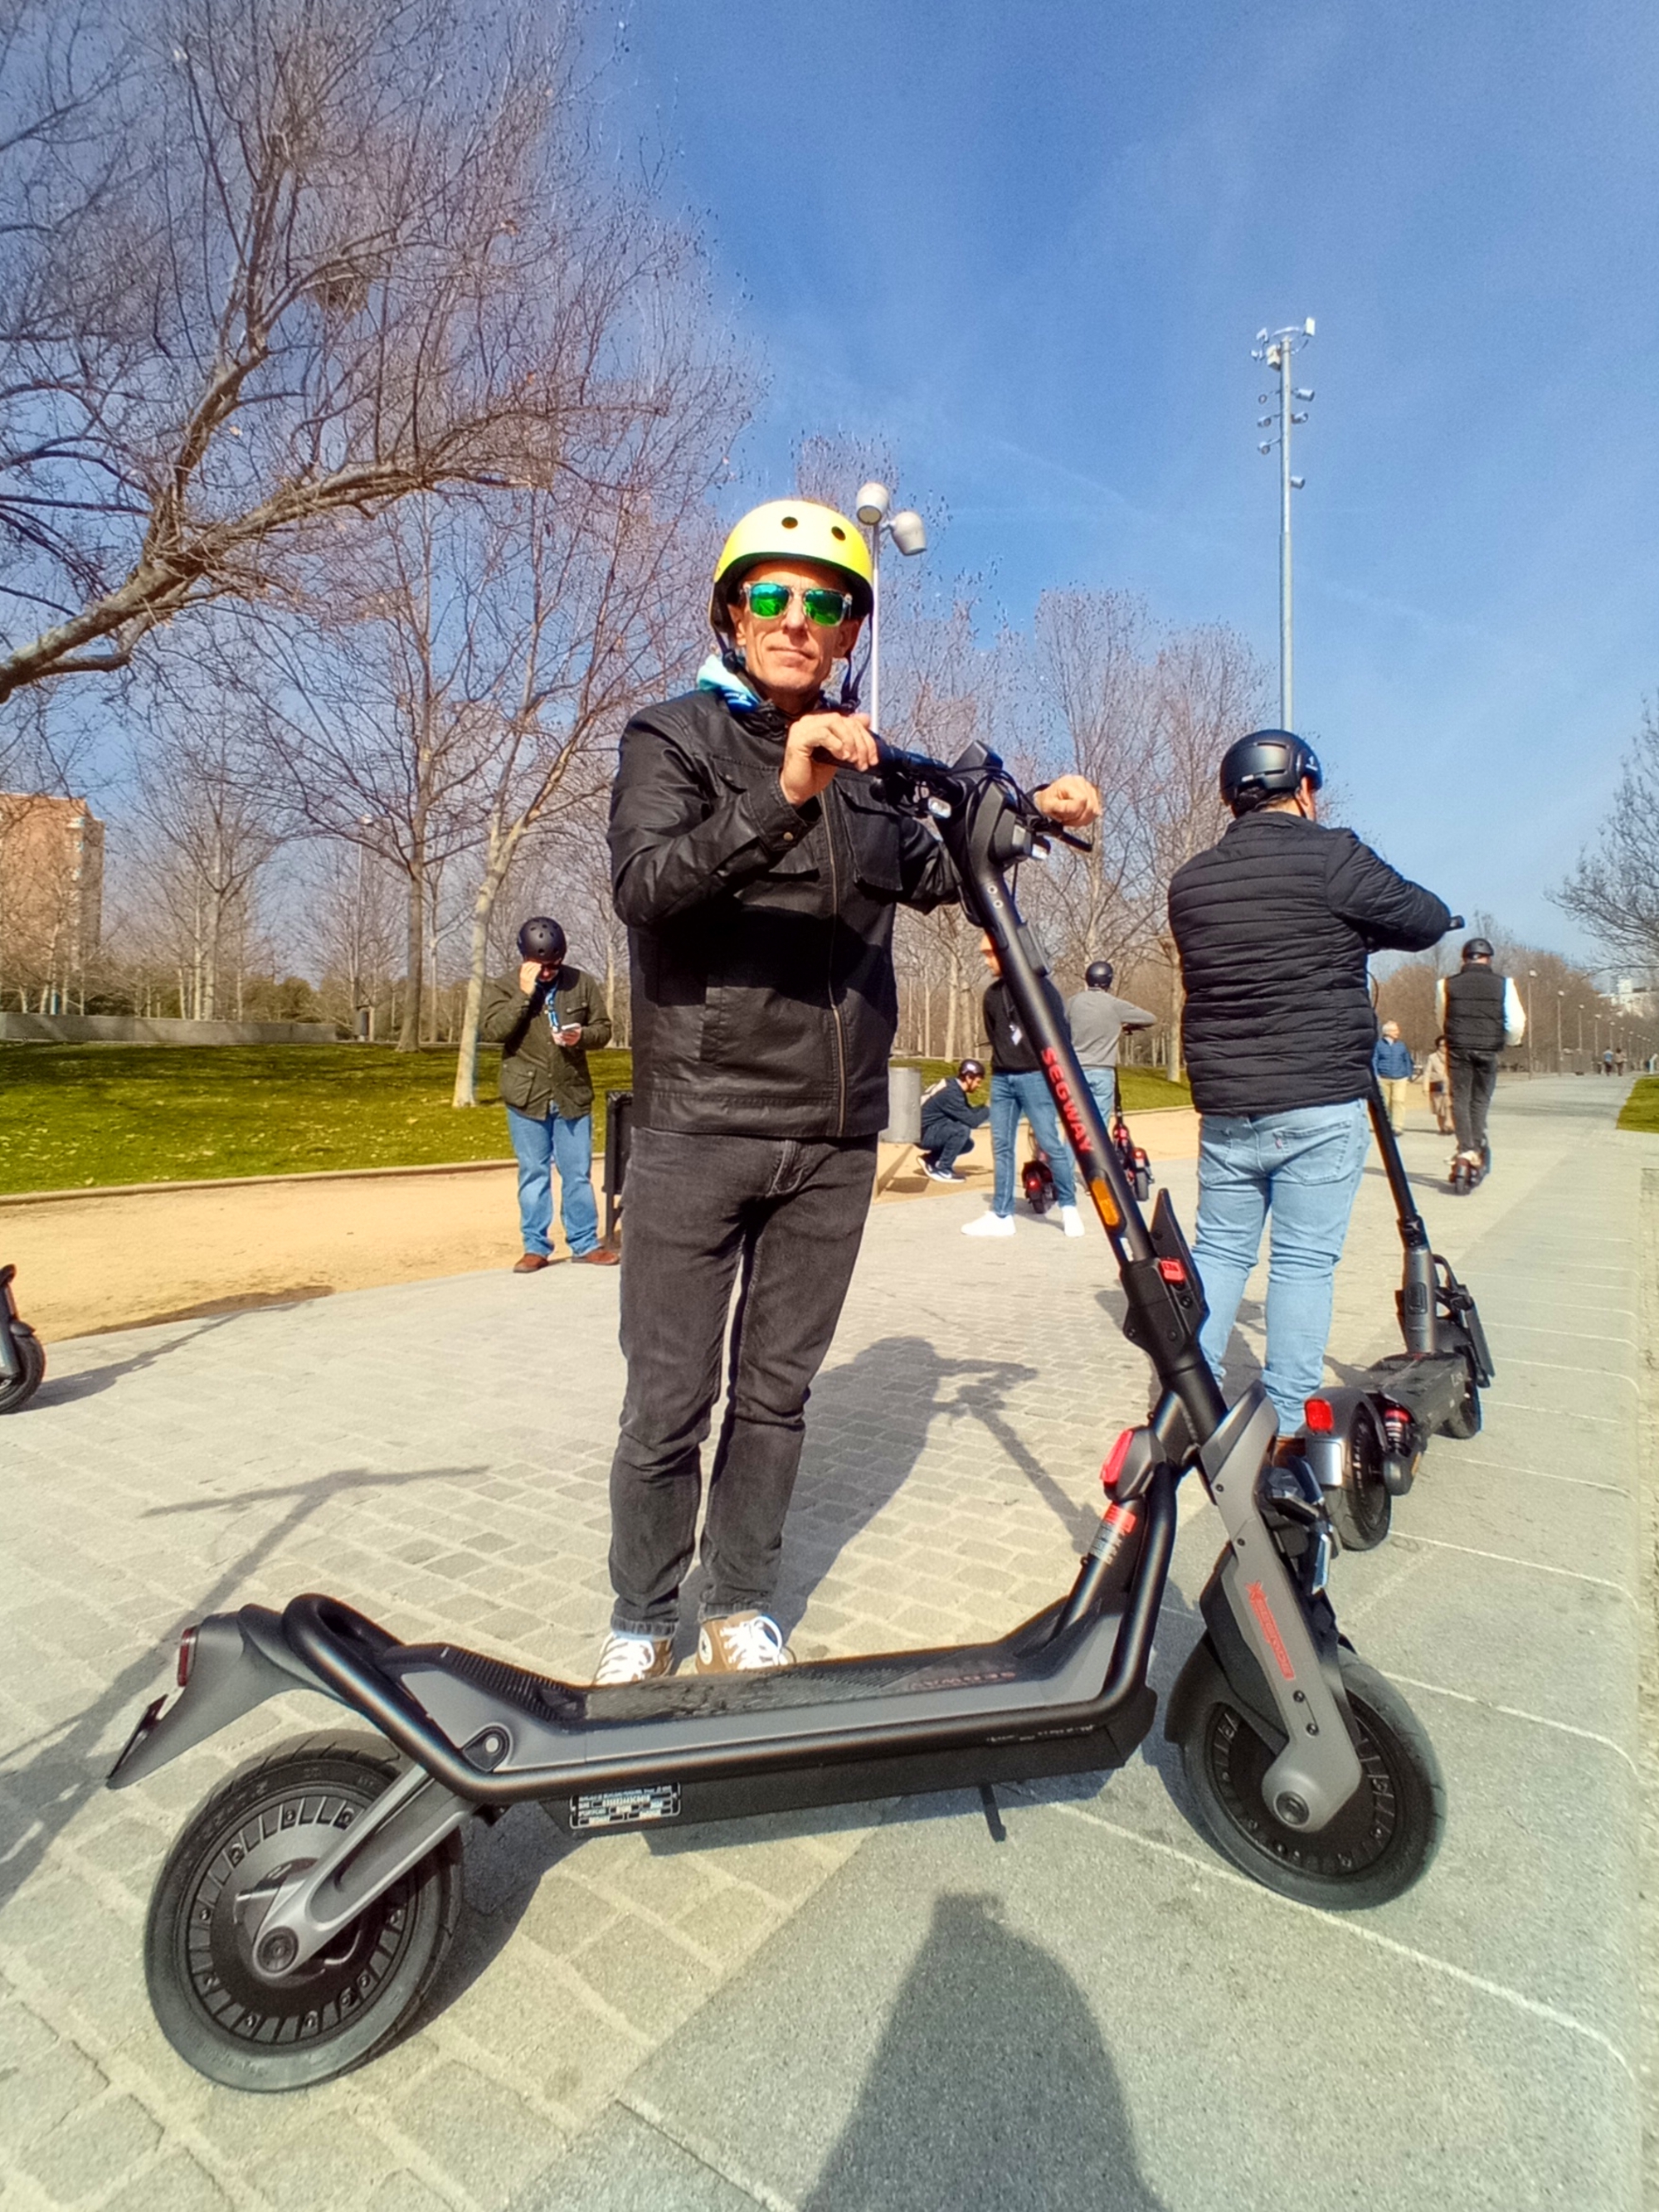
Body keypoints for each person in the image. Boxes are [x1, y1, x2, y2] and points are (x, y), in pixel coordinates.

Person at [599, 498, 1098, 1683]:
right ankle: (637, 1619)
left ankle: (740, 1600)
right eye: (770, 595)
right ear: (730, 611)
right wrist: (781, 788)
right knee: (671, 1399)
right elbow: (646, 885)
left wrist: (1031, 817)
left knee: (776, 1393)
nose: (796, 620)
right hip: (699, 1123)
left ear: (850, 631)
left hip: (830, 1137)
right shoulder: (668, 738)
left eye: (825, 603)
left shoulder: (872, 775)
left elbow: (940, 867)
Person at [1168, 729, 1451, 1436]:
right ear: (1304, 786)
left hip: (1228, 1108)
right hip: (1317, 1100)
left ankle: (1185, 1405)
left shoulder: (1191, 881)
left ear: (1233, 795)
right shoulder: (1333, 856)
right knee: (1301, 1263)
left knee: (1220, 1252)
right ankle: (1289, 1421)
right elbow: (1422, 918)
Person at [479, 916, 616, 1272]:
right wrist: (524, 997)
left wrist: (581, 1036)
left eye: (553, 966)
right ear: (524, 958)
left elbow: (604, 1030)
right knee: (533, 1173)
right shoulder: (504, 986)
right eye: (539, 967)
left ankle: (585, 1243)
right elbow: (494, 1031)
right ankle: (535, 1247)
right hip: (526, 1096)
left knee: (577, 1174)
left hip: (571, 1093)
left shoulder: (581, 982)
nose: (547, 973)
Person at [965, 933, 1085, 1239]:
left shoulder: (1041, 989)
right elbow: (995, 1035)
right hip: (1003, 1078)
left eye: (990, 954)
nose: (987, 961)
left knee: (1049, 1140)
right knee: (1001, 1145)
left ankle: (1069, 1207)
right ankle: (1002, 1214)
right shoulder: (991, 995)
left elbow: (1059, 1032)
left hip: (1035, 1076)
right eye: (984, 954)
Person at [1436, 938, 1524, 1176]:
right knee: (1480, 1099)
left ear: (1464, 958)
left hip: (1458, 1048)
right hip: (1488, 1048)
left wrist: (1452, 1035)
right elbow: (1515, 1023)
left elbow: (1441, 1017)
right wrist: (1509, 1041)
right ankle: (1474, 1146)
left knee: (1461, 1098)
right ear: (1489, 958)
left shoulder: (1446, 984)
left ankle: (1466, 1149)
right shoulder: (1504, 984)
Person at [1065, 960, 1155, 1124]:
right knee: (1098, 1125)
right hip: (1102, 1070)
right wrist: (1128, 1025)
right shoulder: (1115, 1005)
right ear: (1109, 980)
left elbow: (1062, 1026)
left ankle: (1070, 1150)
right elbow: (1150, 1019)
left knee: (1076, 1126)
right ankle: (1098, 1150)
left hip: (1076, 1070)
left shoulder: (1073, 1002)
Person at [919, 1059, 989, 1182]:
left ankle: (930, 1160)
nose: (979, 1085)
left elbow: (968, 1113)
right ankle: (942, 1169)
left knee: (967, 1144)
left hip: (929, 1129)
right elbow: (972, 1121)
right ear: (968, 1077)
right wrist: (989, 1107)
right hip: (923, 1134)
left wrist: (984, 1107)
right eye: (978, 1081)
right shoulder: (951, 1093)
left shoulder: (953, 1087)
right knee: (961, 1131)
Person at [1371, 1020, 1415, 1128]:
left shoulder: (1401, 1045)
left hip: (1400, 1078)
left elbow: (1407, 1060)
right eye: (1395, 1030)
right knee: (1385, 1103)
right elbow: (1374, 1060)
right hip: (1383, 1078)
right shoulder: (1378, 1045)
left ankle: (1397, 1126)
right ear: (1388, 1032)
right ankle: (1386, 1125)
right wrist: (1376, 1075)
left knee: (1398, 1101)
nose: (1398, 1032)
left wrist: (1409, 1075)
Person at [1423, 1040, 1452, 1133]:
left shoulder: (1453, 1056)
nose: (1444, 1047)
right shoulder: (1432, 1057)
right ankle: (1442, 1127)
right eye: (1441, 1045)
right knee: (1439, 1107)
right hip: (1437, 1084)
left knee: (1448, 1105)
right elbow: (1427, 1072)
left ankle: (1450, 1125)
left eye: (1446, 1045)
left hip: (1450, 1084)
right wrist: (1425, 1088)